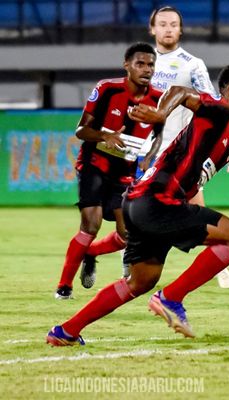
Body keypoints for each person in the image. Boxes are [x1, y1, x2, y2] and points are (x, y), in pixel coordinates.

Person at [46, 64, 229, 346]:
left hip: (140, 203)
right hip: (157, 201)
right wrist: (161, 113)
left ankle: (66, 331)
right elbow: (180, 91)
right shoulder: (217, 110)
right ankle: (171, 297)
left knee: (139, 282)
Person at [133, 5, 229, 288]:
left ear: (180, 29)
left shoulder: (192, 64)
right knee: (134, 210)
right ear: (152, 29)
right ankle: (132, 267)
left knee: (194, 207)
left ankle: (217, 262)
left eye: (173, 24)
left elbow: (214, 105)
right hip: (143, 151)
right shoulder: (140, 64)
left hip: (180, 152)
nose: (168, 29)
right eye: (162, 24)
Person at [54, 42, 163, 300]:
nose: (146, 69)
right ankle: (64, 286)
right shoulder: (106, 89)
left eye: (150, 64)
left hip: (124, 171)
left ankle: (90, 254)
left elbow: (160, 134)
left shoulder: (159, 99)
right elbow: (81, 130)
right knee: (91, 224)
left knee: (127, 234)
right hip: (95, 163)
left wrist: (149, 156)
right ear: (127, 65)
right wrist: (105, 135)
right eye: (140, 63)